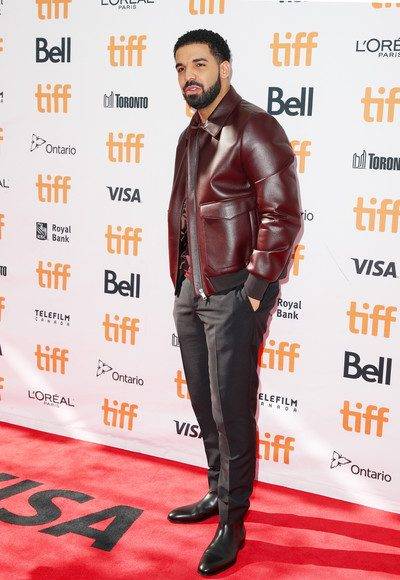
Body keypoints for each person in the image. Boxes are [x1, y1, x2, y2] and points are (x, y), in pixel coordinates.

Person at [166, 28, 302, 576]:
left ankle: (233, 521)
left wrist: (254, 291)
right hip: (191, 289)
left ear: (225, 68)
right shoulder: (190, 135)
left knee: (232, 410)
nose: (189, 76)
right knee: (205, 402)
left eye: (199, 64)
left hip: (233, 295)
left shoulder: (255, 127)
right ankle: (217, 492)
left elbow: (283, 215)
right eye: (181, 68)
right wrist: (182, 280)